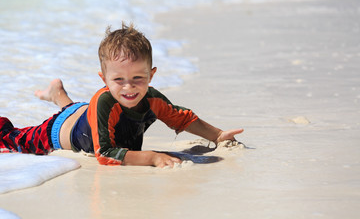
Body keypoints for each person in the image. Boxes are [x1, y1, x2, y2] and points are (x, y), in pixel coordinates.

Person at [0, 23, 244, 168]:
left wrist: (218, 135)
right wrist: (152, 157)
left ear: (151, 75)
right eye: (118, 80)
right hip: (57, 132)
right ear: (104, 80)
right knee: (11, 138)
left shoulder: (152, 99)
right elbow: (104, 155)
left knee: (82, 113)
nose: (129, 87)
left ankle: (59, 95)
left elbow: (183, 118)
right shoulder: (104, 101)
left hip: (86, 115)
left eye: (138, 78)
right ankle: (59, 98)